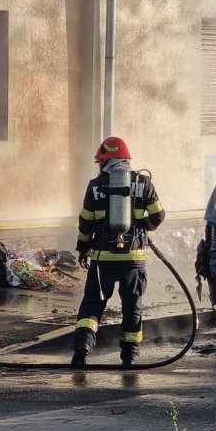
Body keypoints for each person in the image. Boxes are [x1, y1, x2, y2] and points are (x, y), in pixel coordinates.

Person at [72, 137, 165, 367]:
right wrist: (143, 227)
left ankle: (83, 346)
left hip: (103, 259)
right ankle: (130, 356)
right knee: (132, 306)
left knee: (93, 304)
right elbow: (158, 216)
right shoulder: (144, 184)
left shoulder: (94, 186)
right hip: (133, 259)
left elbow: (85, 222)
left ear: (105, 162)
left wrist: (82, 248)